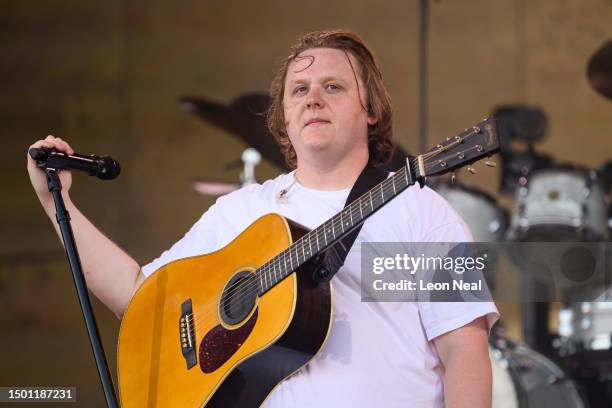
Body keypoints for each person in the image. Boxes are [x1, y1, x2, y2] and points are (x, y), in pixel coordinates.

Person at [28, 30, 499, 407]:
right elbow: (138, 295)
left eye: (333, 86)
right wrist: (58, 204)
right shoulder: (241, 211)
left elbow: (464, 350)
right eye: (299, 90)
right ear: (284, 118)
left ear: (371, 110)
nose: (313, 98)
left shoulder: (421, 212)